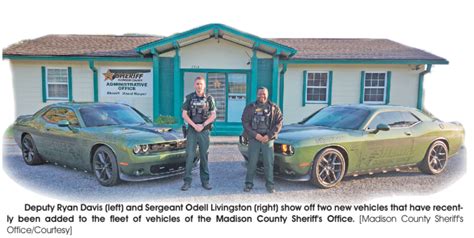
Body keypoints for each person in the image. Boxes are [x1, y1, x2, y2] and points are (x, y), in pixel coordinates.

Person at [241, 87, 283, 193]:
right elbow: (245, 122)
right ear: (257, 94)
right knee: (252, 162)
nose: (262, 96)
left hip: (267, 139)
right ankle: (248, 184)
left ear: (267, 95)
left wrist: (269, 136)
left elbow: (279, 122)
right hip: (254, 138)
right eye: (260, 94)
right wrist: (255, 135)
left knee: (268, 163)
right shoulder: (250, 107)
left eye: (264, 94)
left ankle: (270, 185)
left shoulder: (274, 107)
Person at [181, 76, 216, 191]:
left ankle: (205, 181)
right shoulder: (189, 98)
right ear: (194, 85)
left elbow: (213, 115)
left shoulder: (209, 99)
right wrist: (194, 125)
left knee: (204, 156)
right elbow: (184, 114)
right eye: (197, 84)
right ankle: (187, 181)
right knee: (190, 156)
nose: (199, 86)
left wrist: (202, 125)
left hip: (204, 130)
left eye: (201, 84)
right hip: (192, 130)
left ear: (204, 85)